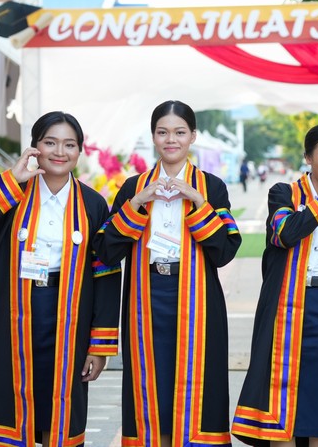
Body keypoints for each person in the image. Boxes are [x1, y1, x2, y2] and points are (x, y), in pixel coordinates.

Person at [0, 111, 121, 446]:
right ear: (35, 147)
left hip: (69, 317)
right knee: (9, 406)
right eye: (50, 142)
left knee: (56, 410)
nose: (60, 152)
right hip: (11, 318)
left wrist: (99, 346)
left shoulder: (93, 204)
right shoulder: (12, 193)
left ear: (80, 150)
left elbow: (106, 274)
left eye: (69, 144)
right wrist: (11, 178)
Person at [94, 100, 241, 447]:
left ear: (193, 136)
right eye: (163, 132)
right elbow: (106, 250)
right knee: (151, 391)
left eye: (179, 132)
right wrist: (137, 203)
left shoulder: (211, 186)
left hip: (199, 303)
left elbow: (224, 251)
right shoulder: (133, 187)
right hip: (145, 300)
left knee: (199, 390)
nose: (171, 140)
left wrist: (199, 203)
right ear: (153, 137)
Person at [232, 123, 318, 447]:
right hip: (283, 313)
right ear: (308, 157)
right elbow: (285, 234)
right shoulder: (284, 194)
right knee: (280, 416)